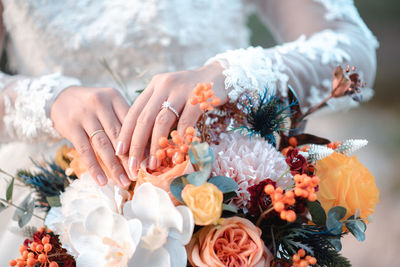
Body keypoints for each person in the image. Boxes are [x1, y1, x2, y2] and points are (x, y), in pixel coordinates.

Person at [0, 0, 377, 262]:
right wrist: (47, 102)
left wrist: (242, 75)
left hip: (224, 201)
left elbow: (356, 58)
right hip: (49, 207)